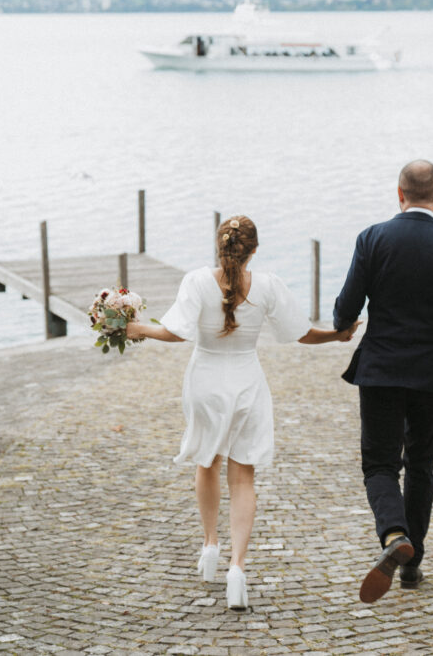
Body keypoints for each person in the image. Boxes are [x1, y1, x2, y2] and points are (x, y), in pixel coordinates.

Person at [127, 216, 359, 611]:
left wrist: (137, 327)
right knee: (243, 473)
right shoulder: (267, 286)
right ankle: (237, 569)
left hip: (205, 380)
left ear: (219, 248)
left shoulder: (198, 281)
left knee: (206, 461)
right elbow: (300, 333)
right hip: (247, 382)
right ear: (253, 250)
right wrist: (338, 335)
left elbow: (176, 331)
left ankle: (210, 548)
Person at [333, 159, 433, 604]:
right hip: (430, 372)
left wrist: (343, 323)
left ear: (399, 193)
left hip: (382, 368)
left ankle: (393, 534)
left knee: (381, 464)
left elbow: (348, 303)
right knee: (422, 463)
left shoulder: (372, 238)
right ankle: (412, 564)